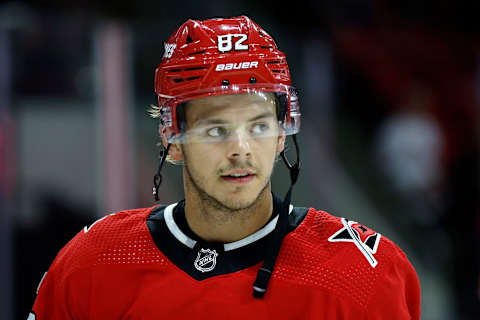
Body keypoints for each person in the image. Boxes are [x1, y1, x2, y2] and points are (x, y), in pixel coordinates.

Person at [28, 16, 421, 319]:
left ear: (283, 134)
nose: (241, 149)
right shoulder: (94, 262)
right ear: (172, 139)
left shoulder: (360, 270)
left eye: (260, 126)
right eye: (216, 129)